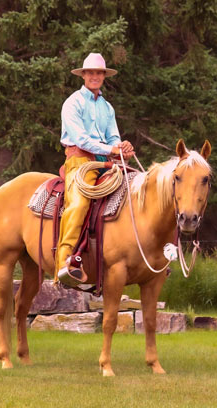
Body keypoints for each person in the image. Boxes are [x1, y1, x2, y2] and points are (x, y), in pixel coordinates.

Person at [56, 52, 134, 286]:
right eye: (90, 72)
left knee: (137, 192)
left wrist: (122, 146)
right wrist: (112, 150)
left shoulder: (107, 107)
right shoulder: (73, 103)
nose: (94, 76)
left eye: (99, 73)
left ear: (103, 76)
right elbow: (80, 140)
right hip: (81, 161)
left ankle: (142, 255)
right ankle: (64, 260)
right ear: (83, 75)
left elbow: (113, 136)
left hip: (107, 162)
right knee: (79, 203)